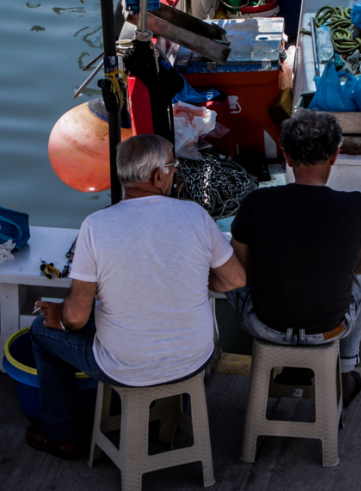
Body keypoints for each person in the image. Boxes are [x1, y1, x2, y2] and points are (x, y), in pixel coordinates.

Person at [26, 134, 247, 459]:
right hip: (194, 358)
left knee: (40, 334)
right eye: (173, 166)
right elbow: (235, 279)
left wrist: (57, 315)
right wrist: (191, 277)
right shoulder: (196, 216)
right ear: (159, 176)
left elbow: (75, 318)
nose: (175, 173)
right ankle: (169, 422)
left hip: (126, 366)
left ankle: (62, 436)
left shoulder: (96, 226)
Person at [226, 110, 361, 406]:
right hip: (329, 330)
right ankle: (346, 371)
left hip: (263, 325)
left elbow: (239, 268)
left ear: (286, 156)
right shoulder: (357, 205)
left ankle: (285, 365)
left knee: (228, 267)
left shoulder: (256, 202)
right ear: (335, 155)